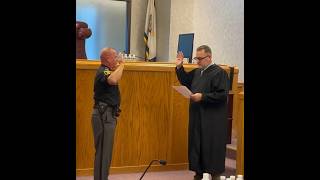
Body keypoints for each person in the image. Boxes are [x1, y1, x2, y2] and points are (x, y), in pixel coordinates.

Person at [175, 45, 230, 180]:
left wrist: (203, 97)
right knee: (197, 146)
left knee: (210, 148)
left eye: (200, 59)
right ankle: (198, 174)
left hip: (212, 120)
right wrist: (179, 67)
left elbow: (222, 95)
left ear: (209, 57)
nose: (197, 61)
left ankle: (214, 175)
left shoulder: (219, 73)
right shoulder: (197, 72)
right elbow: (186, 81)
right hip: (197, 116)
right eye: (196, 58)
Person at [91, 47, 125, 180]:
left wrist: (118, 66)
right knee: (103, 152)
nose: (116, 59)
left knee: (105, 152)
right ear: (108, 59)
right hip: (103, 115)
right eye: (115, 57)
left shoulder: (108, 71)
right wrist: (122, 64)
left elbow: (113, 78)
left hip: (107, 114)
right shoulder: (103, 70)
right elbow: (112, 80)